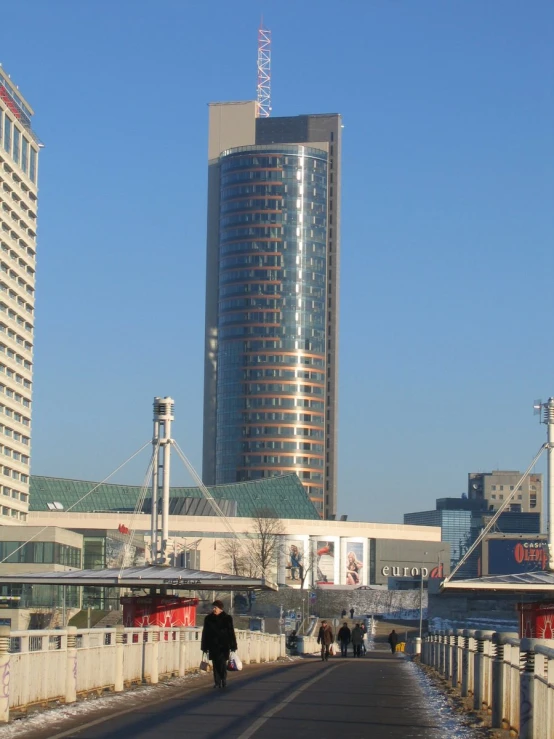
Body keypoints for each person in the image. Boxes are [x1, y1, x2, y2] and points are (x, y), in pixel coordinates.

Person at [201, 599, 237, 689]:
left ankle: (223, 679)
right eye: (213, 607)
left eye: (215, 607)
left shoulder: (227, 618)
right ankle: (217, 682)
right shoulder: (208, 619)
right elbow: (205, 633)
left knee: (222, 664)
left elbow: (231, 632)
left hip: (224, 645)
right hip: (212, 645)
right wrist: (204, 647)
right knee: (215, 664)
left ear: (220, 609)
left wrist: (233, 645)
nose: (214, 609)